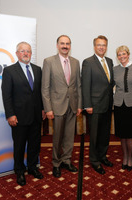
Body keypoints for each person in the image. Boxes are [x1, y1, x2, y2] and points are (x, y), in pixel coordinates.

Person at [1, 42, 45, 186]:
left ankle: (32, 167)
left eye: (28, 51)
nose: (26, 54)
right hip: (18, 117)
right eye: (23, 51)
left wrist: (43, 109)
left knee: (34, 144)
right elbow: (6, 95)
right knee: (19, 146)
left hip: (36, 116)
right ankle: (19, 171)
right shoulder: (9, 71)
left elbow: (40, 93)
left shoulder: (38, 70)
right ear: (17, 53)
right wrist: (10, 115)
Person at [41, 35, 82, 178]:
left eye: (68, 43)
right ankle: (56, 163)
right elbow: (45, 87)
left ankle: (66, 160)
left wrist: (79, 105)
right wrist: (48, 108)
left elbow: (78, 86)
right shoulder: (48, 61)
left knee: (70, 136)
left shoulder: (76, 62)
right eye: (62, 43)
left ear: (70, 46)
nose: (65, 46)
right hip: (56, 106)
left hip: (72, 106)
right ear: (57, 45)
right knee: (57, 137)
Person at [82, 35, 114, 175]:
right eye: (99, 45)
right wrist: (87, 105)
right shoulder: (88, 62)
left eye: (104, 45)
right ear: (94, 46)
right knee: (94, 135)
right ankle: (94, 161)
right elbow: (85, 85)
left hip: (107, 105)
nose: (102, 47)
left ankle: (102, 156)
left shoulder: (110, 61)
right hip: (94, 106)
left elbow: (110, 83)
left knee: (105, 134)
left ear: (106, 47)